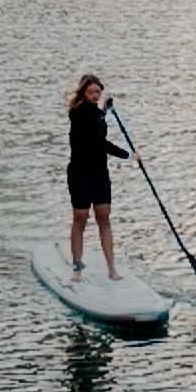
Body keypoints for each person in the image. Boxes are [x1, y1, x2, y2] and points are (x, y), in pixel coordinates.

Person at [64, 73, 138, 282]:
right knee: (80, 218)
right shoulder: (77, 113)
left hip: (99, 173)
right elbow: (97, 141)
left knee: (104, 216)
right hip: (79, 173)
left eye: (98, 92)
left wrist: (105, 111)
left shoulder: (96, 113)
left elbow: (97, 120)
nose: (95, 96)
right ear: (83, 93)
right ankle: (77, 267)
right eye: (91, 92)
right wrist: (128, 155)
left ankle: (112, 268)